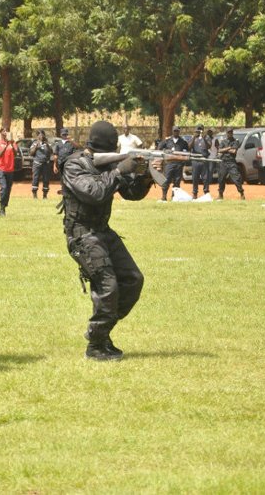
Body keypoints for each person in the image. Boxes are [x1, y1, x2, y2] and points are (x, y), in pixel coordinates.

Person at [60, 121, 145, 361]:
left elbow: (132, 194)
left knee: (133, 279)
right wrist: (118, 172)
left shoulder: (109, 164)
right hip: (82, 234)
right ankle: (96, 345)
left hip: (103, 231)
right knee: (108, 287)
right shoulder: (75, 164)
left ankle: (101, 332)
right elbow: (94, 193)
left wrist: (144, 175)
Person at [157, 126, 189, 201]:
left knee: (177, 181)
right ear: (172, 131)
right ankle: (164, 197)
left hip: (178, 164)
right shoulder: (167, 140)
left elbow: (187, 151)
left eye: (177, 131)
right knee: (166, 180)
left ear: (179, 132)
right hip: (169, 164)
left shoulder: (183, 142)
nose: (176, 132)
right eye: (174, 131)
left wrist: (183, 161)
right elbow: (159, 148)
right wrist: (165, 152)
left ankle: (174, 197)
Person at [216, 128, 245, 200]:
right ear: (227, 133)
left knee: (236, 178)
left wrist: (225, 150)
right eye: (228, 132)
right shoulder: (223, 141)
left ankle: (241, 193)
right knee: (221, 179)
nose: (230, 134)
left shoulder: (235, 141)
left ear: (232, 133)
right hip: (224, 162)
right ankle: (220, 195)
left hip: (231, 162)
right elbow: (219, 150)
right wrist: (229, 148)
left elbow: (234, 151)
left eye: (231, 132)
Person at [0, 127, 16, 216]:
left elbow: (16, 153)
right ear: (1, 133)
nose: (6, 132)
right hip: (0, 169)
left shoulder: (12, 143)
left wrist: (12, 144)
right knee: (4, 187)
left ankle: (4, 205)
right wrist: (6, 145)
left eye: (7, 131)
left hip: (10, 169)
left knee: (8, 189)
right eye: (4, 131)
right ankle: (1, 207)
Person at [187, 124, 211, 198]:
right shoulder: (193, 137)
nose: (199, 131)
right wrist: (194, 137)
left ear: (203, 130)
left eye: (201, 129)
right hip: (195, 160)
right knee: (195, 178)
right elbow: (189, 147)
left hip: (204, 160)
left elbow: (209, 146)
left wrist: (204, 138)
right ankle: (195, 193)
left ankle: (206, 193)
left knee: (205, 178)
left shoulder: (206, 137)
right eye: (198, 129)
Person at [29, 130, 53, 199]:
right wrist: (36, 147)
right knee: (35, 178)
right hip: (37, 164)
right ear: (37, 136)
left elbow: (51, 152)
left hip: (46, 164)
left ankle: (45, 195)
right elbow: (31, 153)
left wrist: (47, 144)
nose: (41, 136)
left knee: (46, 179)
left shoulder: (48, 144)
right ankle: (35, 195)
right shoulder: (34, 143)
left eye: (42, 134)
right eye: (39, 135)